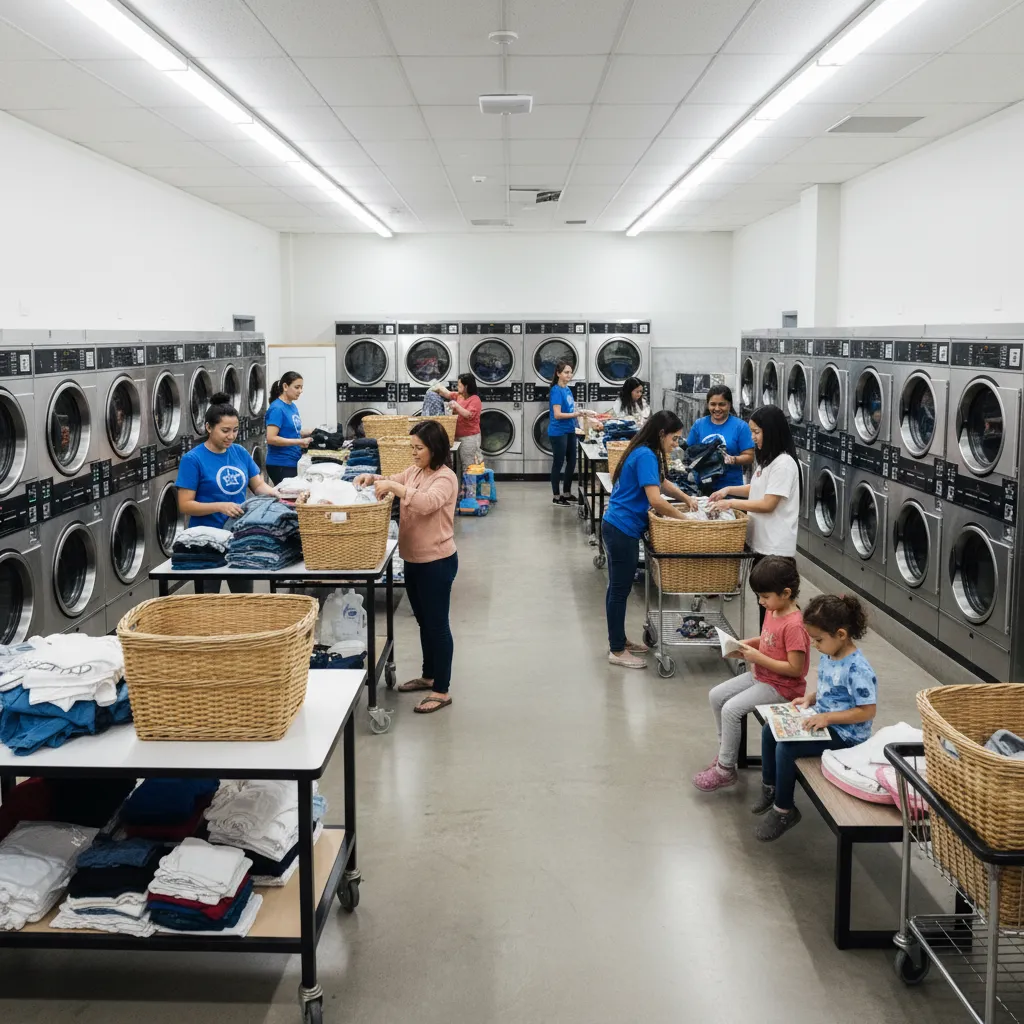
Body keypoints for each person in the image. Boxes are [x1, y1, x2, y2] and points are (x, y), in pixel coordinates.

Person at [355, 421, 459, 714]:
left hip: (437, 561)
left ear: (435, 448)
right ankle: (429, 675)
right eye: (411, 447)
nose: (413, 453)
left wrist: (395, 487)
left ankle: (442, 689)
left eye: (419, 448)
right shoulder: (415, 472)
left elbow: (427, 503)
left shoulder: (445, 478)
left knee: (437, 625)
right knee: (424, 622)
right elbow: (392, 478)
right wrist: (372, 477)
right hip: (413, 558)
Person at [754, 594, 877, 842]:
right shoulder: (831, 654)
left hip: (847, 735)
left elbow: (867, 711)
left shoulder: (858, 668)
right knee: (770, 729)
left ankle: (784, 810)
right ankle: (771, 786)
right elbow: (831, 689)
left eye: (818, 640)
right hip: (823, 718)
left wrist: (828, 718)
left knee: (787, 749)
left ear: (841, 634)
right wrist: (810, 698)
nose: (815, 645)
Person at [692, 557, 809, 792]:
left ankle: (725, 769)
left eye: (765, 597)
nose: (761, 601)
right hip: (762, 676)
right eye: (759, 596)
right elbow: (768, 639)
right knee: (716, 695)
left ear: (786, 593)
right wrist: (744, 644)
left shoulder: (795, 625)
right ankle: (726, 751)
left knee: (731, 709)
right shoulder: (774, 610)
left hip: (782, 688)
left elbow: (796, 669)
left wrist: (757, 657)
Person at [602, 410, 699, 669]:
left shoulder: (645, 451)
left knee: (616, 588)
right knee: (619, 591)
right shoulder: (646, 454)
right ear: (661, 434)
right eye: (674, 438)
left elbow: (662, 483)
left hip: (616, 525)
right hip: (622, 529)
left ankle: (619, 640)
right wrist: (684, 519)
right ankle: (616, 650)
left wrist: (686, 498)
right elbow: (655, 500)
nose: (676, 444)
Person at [175, 392, 282, 594]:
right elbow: (185, 505)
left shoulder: (239, 452)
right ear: (208, 427)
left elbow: (258, 486)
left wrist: (278, 494)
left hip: (239, 538)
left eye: (234, 430)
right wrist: (220, 506)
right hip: (206, 542)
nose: (231, 436)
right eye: (225, 431)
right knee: (209, 602)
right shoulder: (193, 459)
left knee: (243, 600)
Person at [708, 405, 800, 627]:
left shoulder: (784, 464)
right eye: (752, 431)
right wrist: (728, 490)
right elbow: (757, 489)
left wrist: (730, 503)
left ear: (772, 431)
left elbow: (768, 503)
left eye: (757, 432)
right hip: (763, 546)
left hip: (775, 551)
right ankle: (768, 654)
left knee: (775, 614)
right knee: (766, 611)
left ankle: (775, 656)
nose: (753, 437)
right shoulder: (769, 461)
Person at [686, 385, 755, 490]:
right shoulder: (699, 425)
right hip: (702, 488)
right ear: (707, 404)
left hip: (731, 489)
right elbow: (689, 451)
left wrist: (733, 459)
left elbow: (750, 456)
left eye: (722, 404)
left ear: (729, 405)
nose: (717, 408)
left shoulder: (740, 426)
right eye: (713, 404)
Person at [265, 371, 313, 485]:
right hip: (280, 464)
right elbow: (271, 438)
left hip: (292, 461)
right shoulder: (277, 409)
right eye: (297, 387)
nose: (300, 391)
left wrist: (309, 432)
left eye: (301, 387)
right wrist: (299, 442)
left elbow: (290, 432)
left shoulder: (292, 406)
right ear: (285, 386)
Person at [548, 359, 586, 506]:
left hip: (570, 429)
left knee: (572, 462)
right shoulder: (556, 391)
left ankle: (567, 493)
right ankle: (556, 496)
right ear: (558, 374)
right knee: (558, 463)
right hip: (558, 432)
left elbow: (571, 410)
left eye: (570, 372)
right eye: (566, 372)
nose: (569, 375)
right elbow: (557, 414)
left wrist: (579, 424)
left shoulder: (568, 389)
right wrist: (577, 414)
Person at [434, 373, 483, 469]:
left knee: (469, 464)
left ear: (466, 386)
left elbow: (469, 415)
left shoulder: (475, 399)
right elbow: (447, 394)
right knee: (459, 464)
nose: (457, 386)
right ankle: (461, 484)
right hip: (457, 436)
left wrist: (456, 406)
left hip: (469, 437)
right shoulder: (459, 396)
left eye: (459, 385)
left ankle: (470, 484)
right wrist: (436, 387)